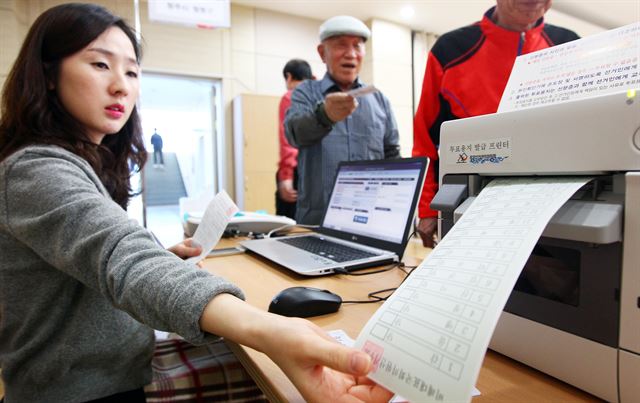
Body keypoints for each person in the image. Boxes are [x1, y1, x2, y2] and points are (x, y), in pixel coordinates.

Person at [0, 4, 394, 402]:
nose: (122, 86)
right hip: (83, 387)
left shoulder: (81, 165)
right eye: (101, 65)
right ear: (48, 74)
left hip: (111, 360)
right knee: (275, 378)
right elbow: (118, 253)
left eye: (132, 71)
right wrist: (269, 329)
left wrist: (163, 258)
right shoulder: (35, 170)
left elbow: (93, 254)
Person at [412, 0, 579, 247]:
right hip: (471, 208)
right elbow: (424, 137)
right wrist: (427, 208)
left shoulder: (570, 45)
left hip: (558, 205)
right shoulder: (451, 49)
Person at [285, 15, 400, 225]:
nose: (351, 54)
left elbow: (392, 153)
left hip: (370, 222)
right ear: (322, 53)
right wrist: (324, 115)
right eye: (341, 45)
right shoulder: (306, 92)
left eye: (357, 46)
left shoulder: (379, 99)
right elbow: (295, 133)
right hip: (316, 224)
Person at [276, 59, 313, 219]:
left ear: (289, 77)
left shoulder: (291, 97)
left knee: (287, 226)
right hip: (318, 172)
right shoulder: (322, 96)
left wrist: (286, 176)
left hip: (298, 170)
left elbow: (288, 141)